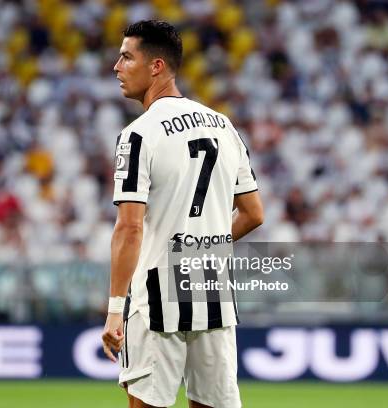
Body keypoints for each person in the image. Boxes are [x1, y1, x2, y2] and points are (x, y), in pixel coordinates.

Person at [101, 20, 264, 408]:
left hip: (156, 295)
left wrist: (114, 310)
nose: (116, 67)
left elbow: (129, 227)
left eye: (126, 57)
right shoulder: (223, 126)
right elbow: (254, 214)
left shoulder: (139, 134)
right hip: (213, 290)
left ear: (156, 66)